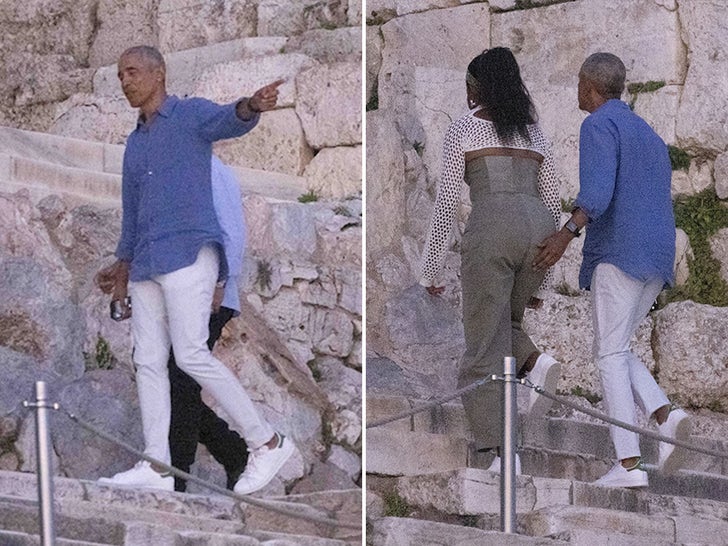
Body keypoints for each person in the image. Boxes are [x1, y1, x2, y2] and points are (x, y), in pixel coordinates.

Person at [94, 45, 294, 494]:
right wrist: (121, 271)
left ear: (158, 73)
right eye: (119, 74)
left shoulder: (187, 115)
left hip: (188, 251)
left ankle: (268, 441)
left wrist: (252, 105)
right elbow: (132, 212)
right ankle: (156, 466)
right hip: (145, 260)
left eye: (131, 72)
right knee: (147, 360)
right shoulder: (134, 141)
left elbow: (229, 117)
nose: (124, 81)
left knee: (188, 355)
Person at [533, 52, 690, 488]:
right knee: (616, 347)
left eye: (579, 84)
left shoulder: (598, 125)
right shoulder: (650, 135)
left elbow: (597, 194)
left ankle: (627, 466)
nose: (577, 92)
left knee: (608, 354)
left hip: (620, 252)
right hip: (657, 256)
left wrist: (566, 232)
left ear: (589, 85)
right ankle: (666, 415)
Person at [420, 47, 562, 474]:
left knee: (482, 350)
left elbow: (447, 201)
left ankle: (500, 456)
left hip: (492, 229)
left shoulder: (464, 128)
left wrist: (429, 267)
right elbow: (553, 201)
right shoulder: (534, 133)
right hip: (539, 232)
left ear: (476, 87)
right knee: (506, 328)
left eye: (468, 85)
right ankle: (536, 362)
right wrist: (546, 278)